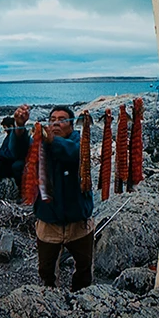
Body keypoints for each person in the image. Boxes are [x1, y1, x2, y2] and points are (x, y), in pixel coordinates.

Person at [9, 104, 95, 292]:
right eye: (52, 120)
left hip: (79, 224)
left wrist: (50, 140)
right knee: (46, 270)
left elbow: (73, 153)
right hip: (48, 222)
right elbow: (17, 151)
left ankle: (80, 298)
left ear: (72, 125)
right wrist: (19, 127)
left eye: (62, 120)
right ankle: (52, 297)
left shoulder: (79, 143)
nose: (56, 123)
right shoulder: (39, 143)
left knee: (84, 268)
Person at [0, 116, 24, 190]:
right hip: (8, 160)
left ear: (10, 126)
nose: (4, 129)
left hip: (11, 162)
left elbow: (12, 155)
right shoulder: (11, 135)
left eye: (5, 127)